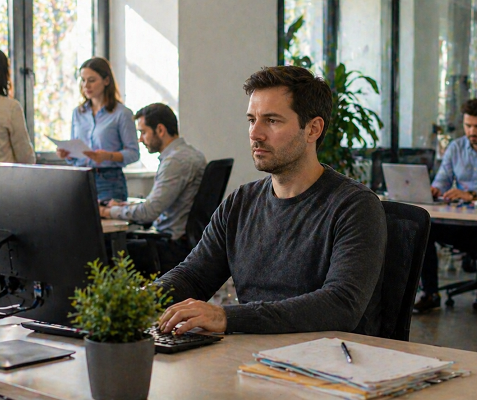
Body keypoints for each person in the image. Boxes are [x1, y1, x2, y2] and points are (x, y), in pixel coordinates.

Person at [153, 65, 387, 336]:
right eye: (252, 120)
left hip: (325, 357)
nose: (255, 134)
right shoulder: (240, 203)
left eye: (272, 121)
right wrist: (134, 301)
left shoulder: (355, 207)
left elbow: (340, 305)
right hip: (252, 351)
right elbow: (193, 276)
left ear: (313, 129)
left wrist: (227, 317)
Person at [414, 98, 477, 315]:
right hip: (461, 222)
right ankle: (430, 293)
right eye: (468, 125)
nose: (472, 131)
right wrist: (434, 190)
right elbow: (442, 180)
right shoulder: (455, 148)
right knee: (423, 227)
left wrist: (471, 195)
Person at [99, 103, 206, 273]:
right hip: (179, 241)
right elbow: (155, 204)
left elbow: (148, 212)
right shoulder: (191, 154)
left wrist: (106, 212)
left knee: (102, 247)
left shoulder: (175, 161)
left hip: (168, 247)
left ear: (160, 130)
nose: (140, 139)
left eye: (143, 132)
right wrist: (124, 207)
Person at [56, 57, 139, 201]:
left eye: (92, 80)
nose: (86, 85)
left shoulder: (122, 114)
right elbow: (75, 148)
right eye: (83, 80)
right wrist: (67, 154)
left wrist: (108, 156)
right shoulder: (78, 113)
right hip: (80, 178)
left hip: (109, 181)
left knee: (106, 216)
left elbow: (133, 153)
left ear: (106, 81)